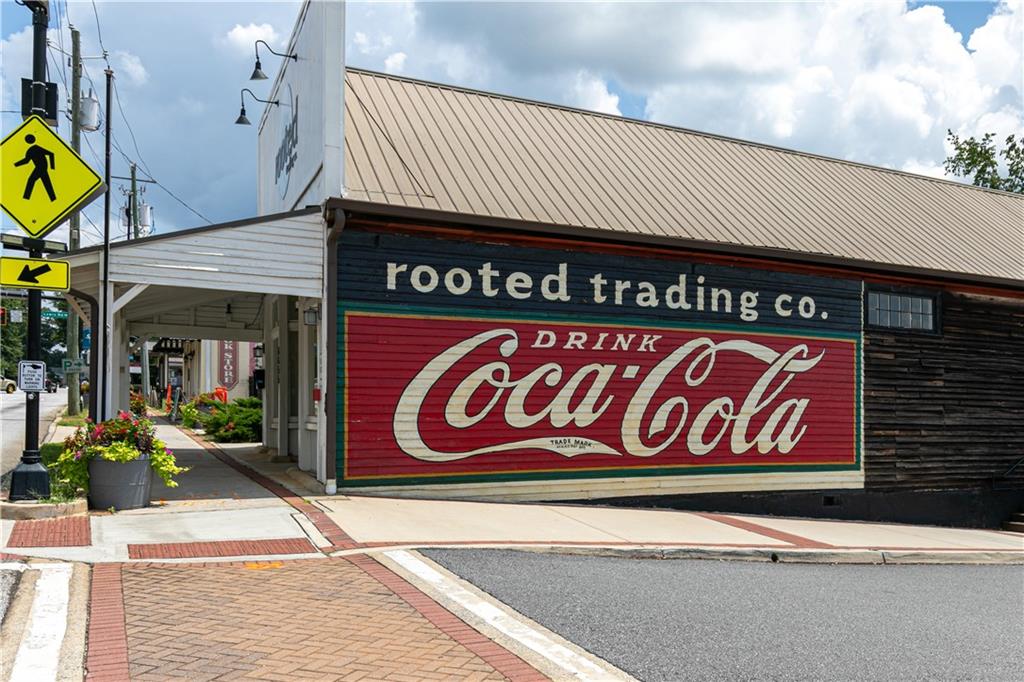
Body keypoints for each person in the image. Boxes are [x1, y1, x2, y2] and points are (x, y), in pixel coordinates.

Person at [14, 134, 56, 201]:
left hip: (40, 167)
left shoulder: (35, 148)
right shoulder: (31, 150)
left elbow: (51, 154)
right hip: (42, 167)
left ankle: (26, 198)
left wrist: (52, 167)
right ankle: (53, 199)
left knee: (31, 180)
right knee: (47, 183)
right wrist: (15, 164)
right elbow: (27, 161)